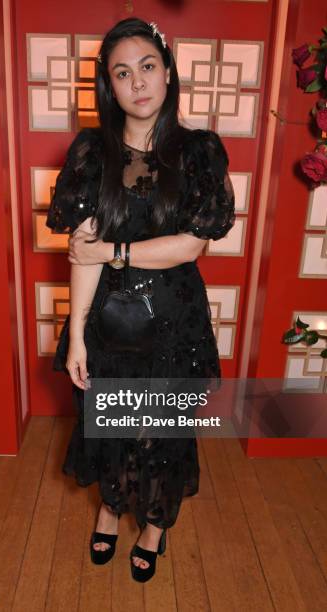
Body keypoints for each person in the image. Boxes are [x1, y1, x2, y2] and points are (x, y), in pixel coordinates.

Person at [46, 17, 235, 582]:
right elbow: (81, 255)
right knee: (110, 425)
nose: (138, 83)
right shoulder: (90, 154)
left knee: (162, 430)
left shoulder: (198, 152)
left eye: (148, 67)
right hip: (106, 321)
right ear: (110, 86)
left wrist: (114, 252)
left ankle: (155, 525)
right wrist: (77, 332)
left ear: (169, 72)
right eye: (122, 73)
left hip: (173, 321)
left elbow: (192, 245)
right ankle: (110, 507)